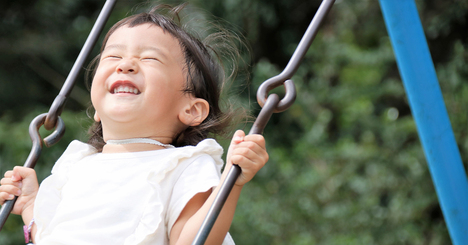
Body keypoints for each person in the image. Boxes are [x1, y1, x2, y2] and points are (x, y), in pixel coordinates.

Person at [0, 4, 268, 245]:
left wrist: (230, 184)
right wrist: (31, 206)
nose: (126, 65)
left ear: (191, 110)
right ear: (96, 109)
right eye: (113, 57)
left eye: (150, 58)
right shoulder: (77, 164)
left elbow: (192, 240)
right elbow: (54, 236)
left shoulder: (186, 164)